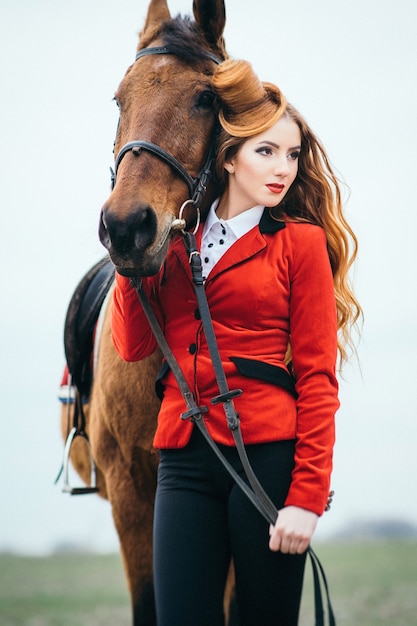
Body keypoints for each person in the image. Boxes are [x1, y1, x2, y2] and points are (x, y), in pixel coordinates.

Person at [111, 59, 361, 626]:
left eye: (293, 155)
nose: (284, 170)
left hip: (267, 461)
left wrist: (305, 495)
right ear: (228, 157)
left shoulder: (300, 244)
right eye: (267, 152)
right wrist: (128, 262)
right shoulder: (176, 244)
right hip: (182, 460)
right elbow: (129, 346)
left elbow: (319, 379)